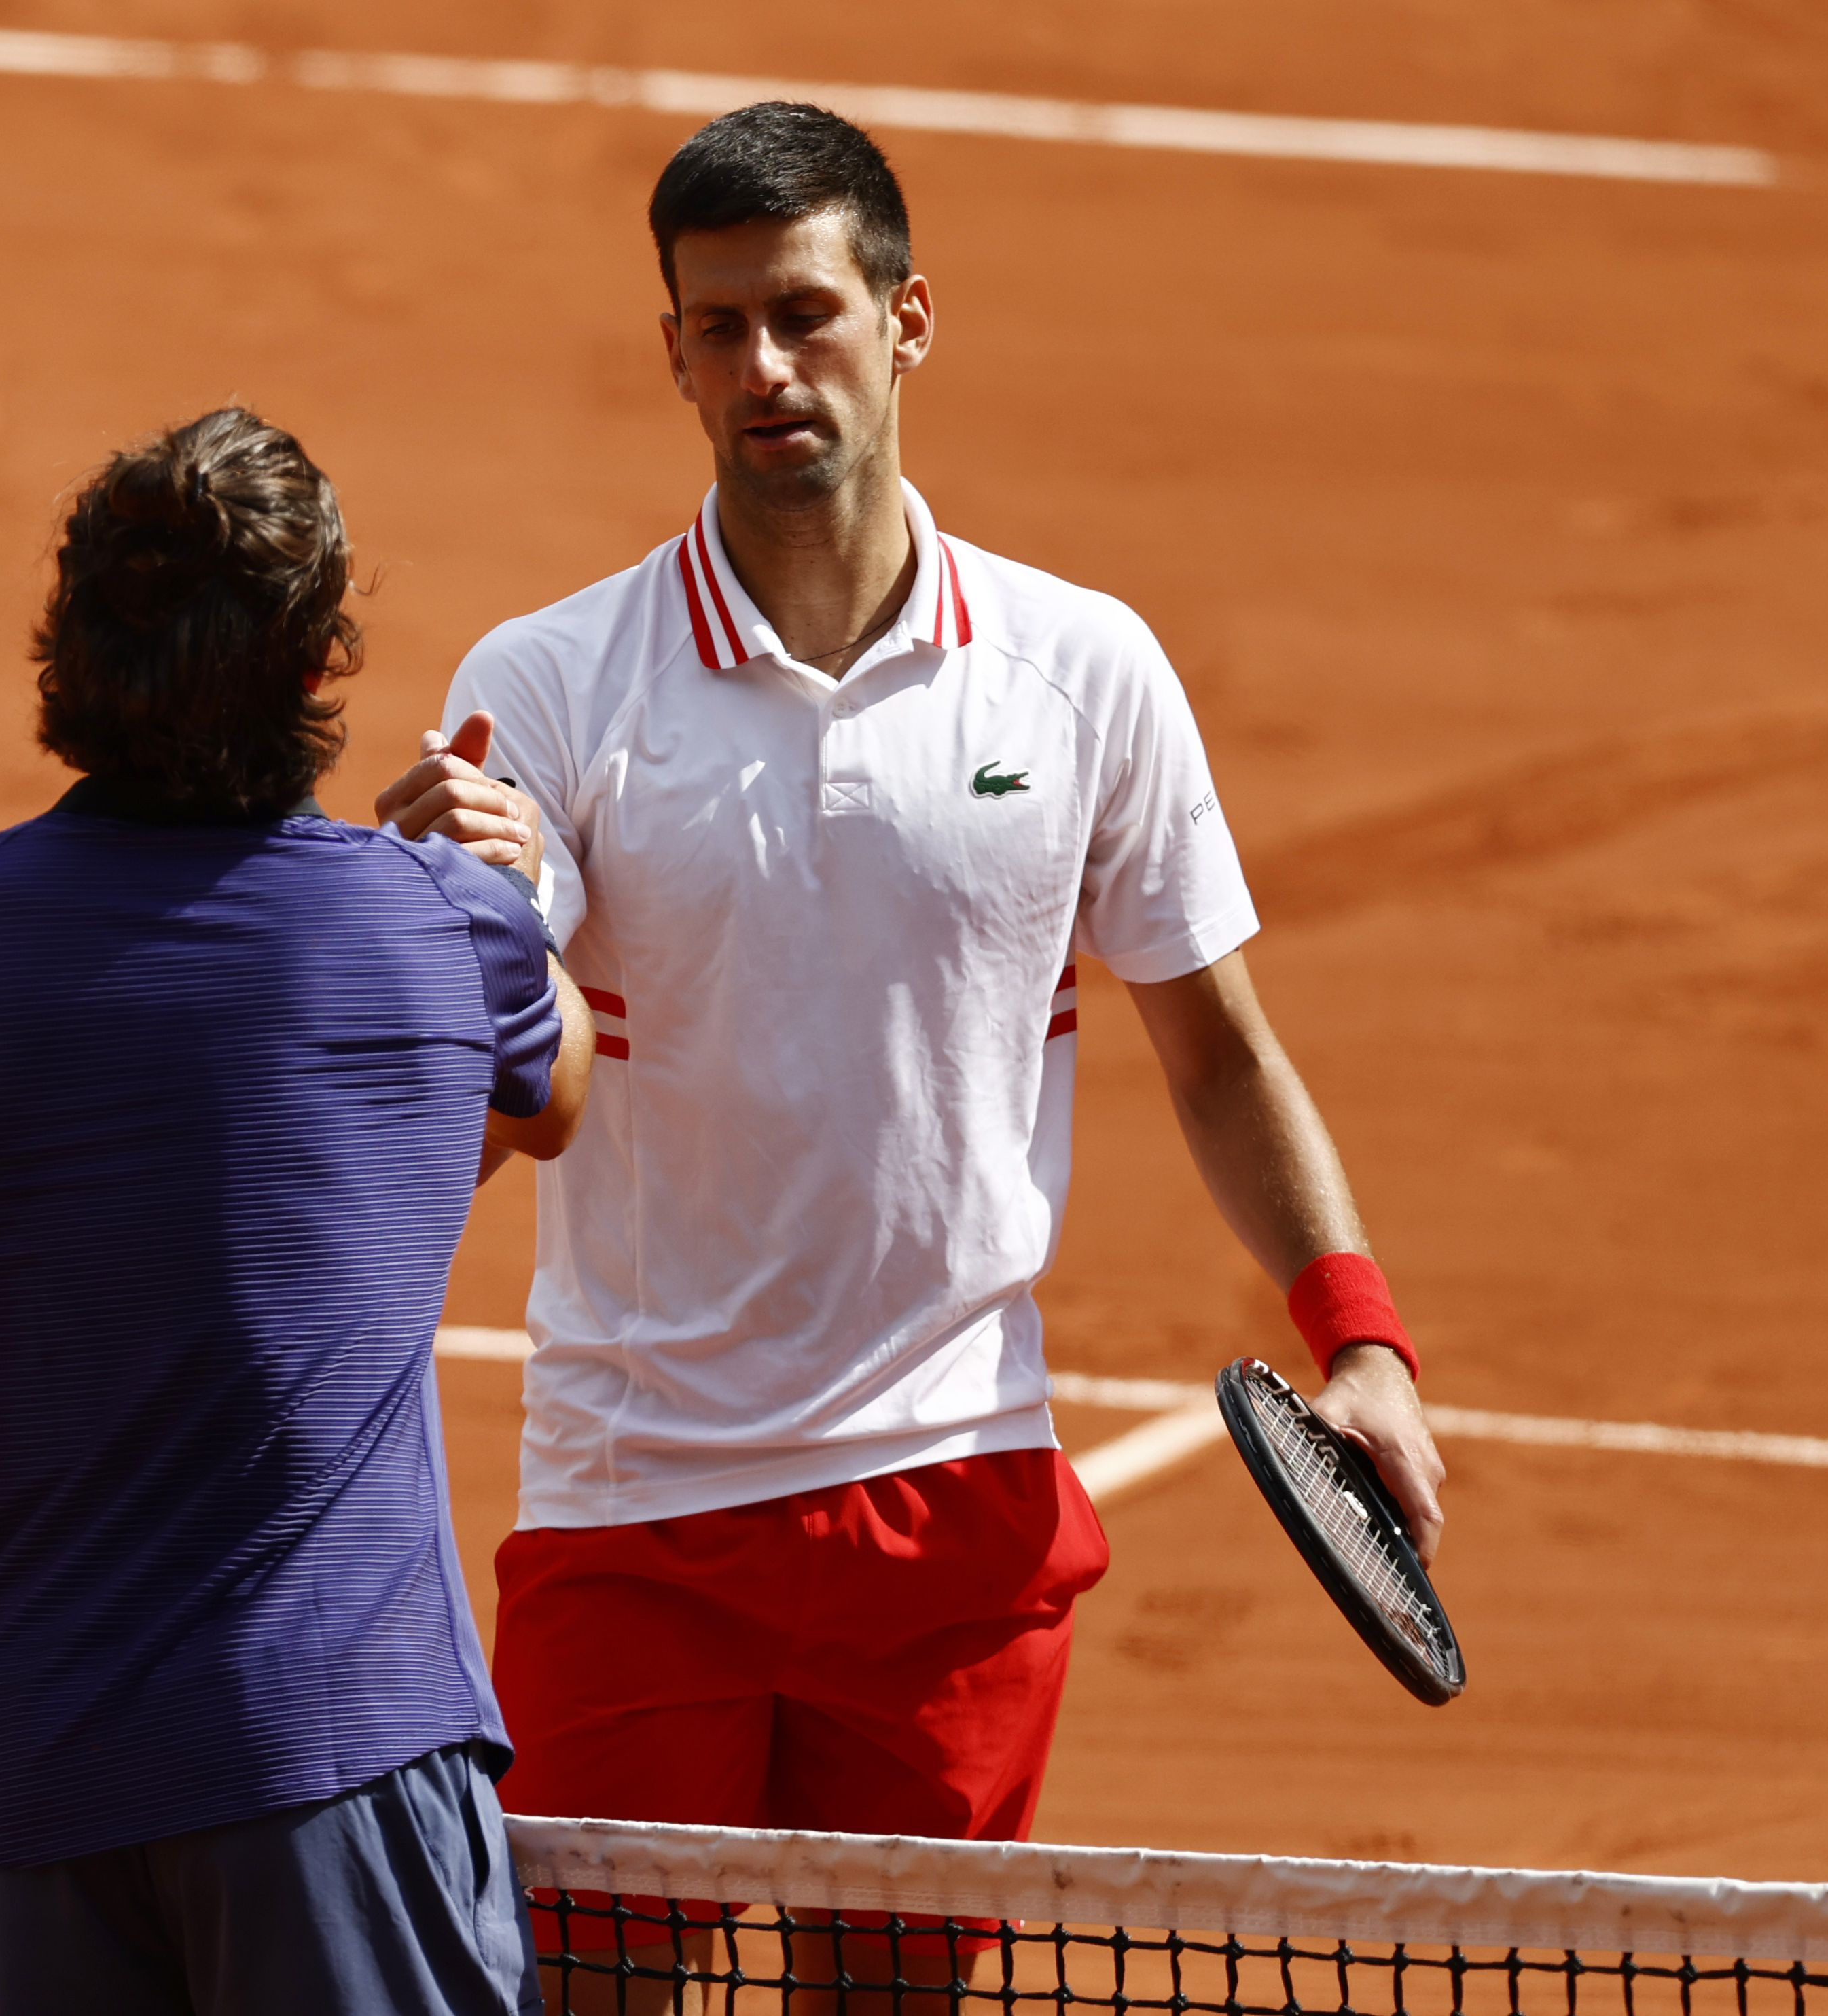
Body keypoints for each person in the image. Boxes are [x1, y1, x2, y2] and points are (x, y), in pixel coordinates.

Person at [374, 104, 1448, 2004]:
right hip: (635, 1508)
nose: (762, 369)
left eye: (802, 314)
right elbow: (461, 1083)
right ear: (671, 353)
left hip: (956, 1508)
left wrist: (1356, 1340)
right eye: (715, 328)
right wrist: (422, 933)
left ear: (907, 317)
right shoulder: (552, 688)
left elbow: (1215, 1051)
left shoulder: (1082, 672)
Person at [0, 408, 591, 2016]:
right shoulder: (446, 927)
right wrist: (513, 878)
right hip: (345, 1771)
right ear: (321, 662)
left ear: (70, 648)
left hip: (38, 1792)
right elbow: (556, 1090)